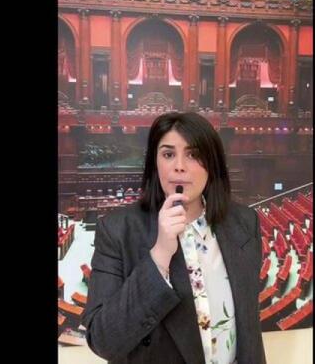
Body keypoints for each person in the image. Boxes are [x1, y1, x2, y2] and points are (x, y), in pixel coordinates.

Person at [83, 112, 266, 363]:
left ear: (211, 163)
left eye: (193, 154)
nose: (179, 166)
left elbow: (249, 328)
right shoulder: (117, 230)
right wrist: (159, 255)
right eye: (168, 154)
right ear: (155, 163)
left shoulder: (245, 223)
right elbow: (103, 341)